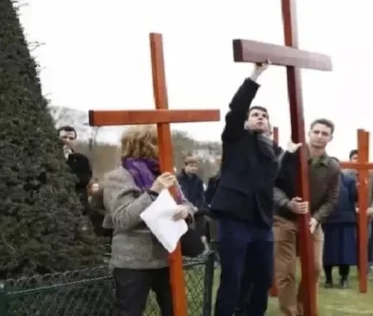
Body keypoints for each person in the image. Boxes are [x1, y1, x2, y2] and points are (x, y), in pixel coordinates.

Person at [210, 62, 298, 316]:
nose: (260, 117)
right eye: (255, 115)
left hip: (262, 223)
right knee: (233, 279)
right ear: (246, 122)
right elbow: (237, 109)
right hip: (235, 220)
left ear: (269, 125)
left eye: (264, 116)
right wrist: (255, 75)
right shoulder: (236, 139)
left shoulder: (273, 152)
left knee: (261, 279)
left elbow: (279, 179)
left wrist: (290, 155)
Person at [102, 125, 195, 316]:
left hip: (168, 256)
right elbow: (122, 219)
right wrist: (152, 192)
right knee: (130, 312)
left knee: (174, 309)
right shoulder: (118, 177)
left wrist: (185, 211)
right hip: (134, 261)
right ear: (145, 145)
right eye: (158, 143)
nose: (165, 147)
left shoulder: (164, 172)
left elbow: (187, 203)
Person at [273, 118, 341, 316]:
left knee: (315, 269)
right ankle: (291, 312)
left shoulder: (332, 166)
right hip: (284, 219)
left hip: (312, 221)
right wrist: (288, 203)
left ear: (330, 138)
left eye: (324, 134)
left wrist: (316, 219)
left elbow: (332, 198)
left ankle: (304, 309)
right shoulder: (291, 156)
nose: (319, 137)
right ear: (309, 133)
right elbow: (272, 185)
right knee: (285, 272)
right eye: (316, 132)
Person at [58, 125, 93, 213]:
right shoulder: (49, 158)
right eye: (64, 137)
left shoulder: (82, 159)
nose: (67, 141)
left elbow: (85, 178)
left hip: (77, 204)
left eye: (71, 138)